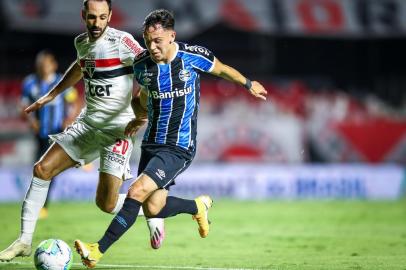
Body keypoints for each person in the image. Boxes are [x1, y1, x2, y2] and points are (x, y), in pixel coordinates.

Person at [74, 9, 267, 268]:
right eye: (147, 41)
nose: (152, 47)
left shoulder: (191, 57)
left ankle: (97, 249)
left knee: (136, 191)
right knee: (153, 208)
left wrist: (248, 83)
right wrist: (139, 116)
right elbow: (143, 97)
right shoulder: (142, 65)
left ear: (172, 36)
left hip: (179, 146)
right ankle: (198, 206)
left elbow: (221, 70)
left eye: (158, 41)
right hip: (152, 143)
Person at [0, 0, 165, 262]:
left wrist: (142, 110)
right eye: (91, 18)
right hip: (87, 125)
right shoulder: (82, 43)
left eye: (102, 17)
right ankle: (23, 241)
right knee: (42, 169)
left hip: (117, 131)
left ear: (110, 16)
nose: (96, 24)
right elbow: (80, 66)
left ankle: (153, 207)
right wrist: (51, 95)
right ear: (83, 16)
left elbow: (152, 68)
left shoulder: (123, 41)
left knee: (107, 205)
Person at [20, 50, 81, 219]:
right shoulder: (30, 83)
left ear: (53, 65)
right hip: (40, 135)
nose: (43, 68)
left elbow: (74, 102)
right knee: (40, 169)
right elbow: (23, 106)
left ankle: (41, 205)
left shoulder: (61, 81)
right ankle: (39, 204)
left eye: (46, 64)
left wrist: (69, 119)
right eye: (40, 64)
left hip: (57, 134)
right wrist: (32, 121)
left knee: (46, 169)